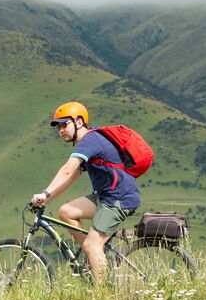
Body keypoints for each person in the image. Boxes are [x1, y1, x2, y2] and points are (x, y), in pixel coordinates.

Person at [28, 101, 140, 286]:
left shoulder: (90, 140)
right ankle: (95, 258)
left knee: (92, 245)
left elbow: (66, 169)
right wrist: (46, 198)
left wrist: (44, 193)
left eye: (65, 124)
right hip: (105, 196)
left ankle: (101, 294)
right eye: (58, 127)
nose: (61, 130)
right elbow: (70, 177)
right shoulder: (87, 143)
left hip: (119, 198)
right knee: (66, 212)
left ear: (79, 122)